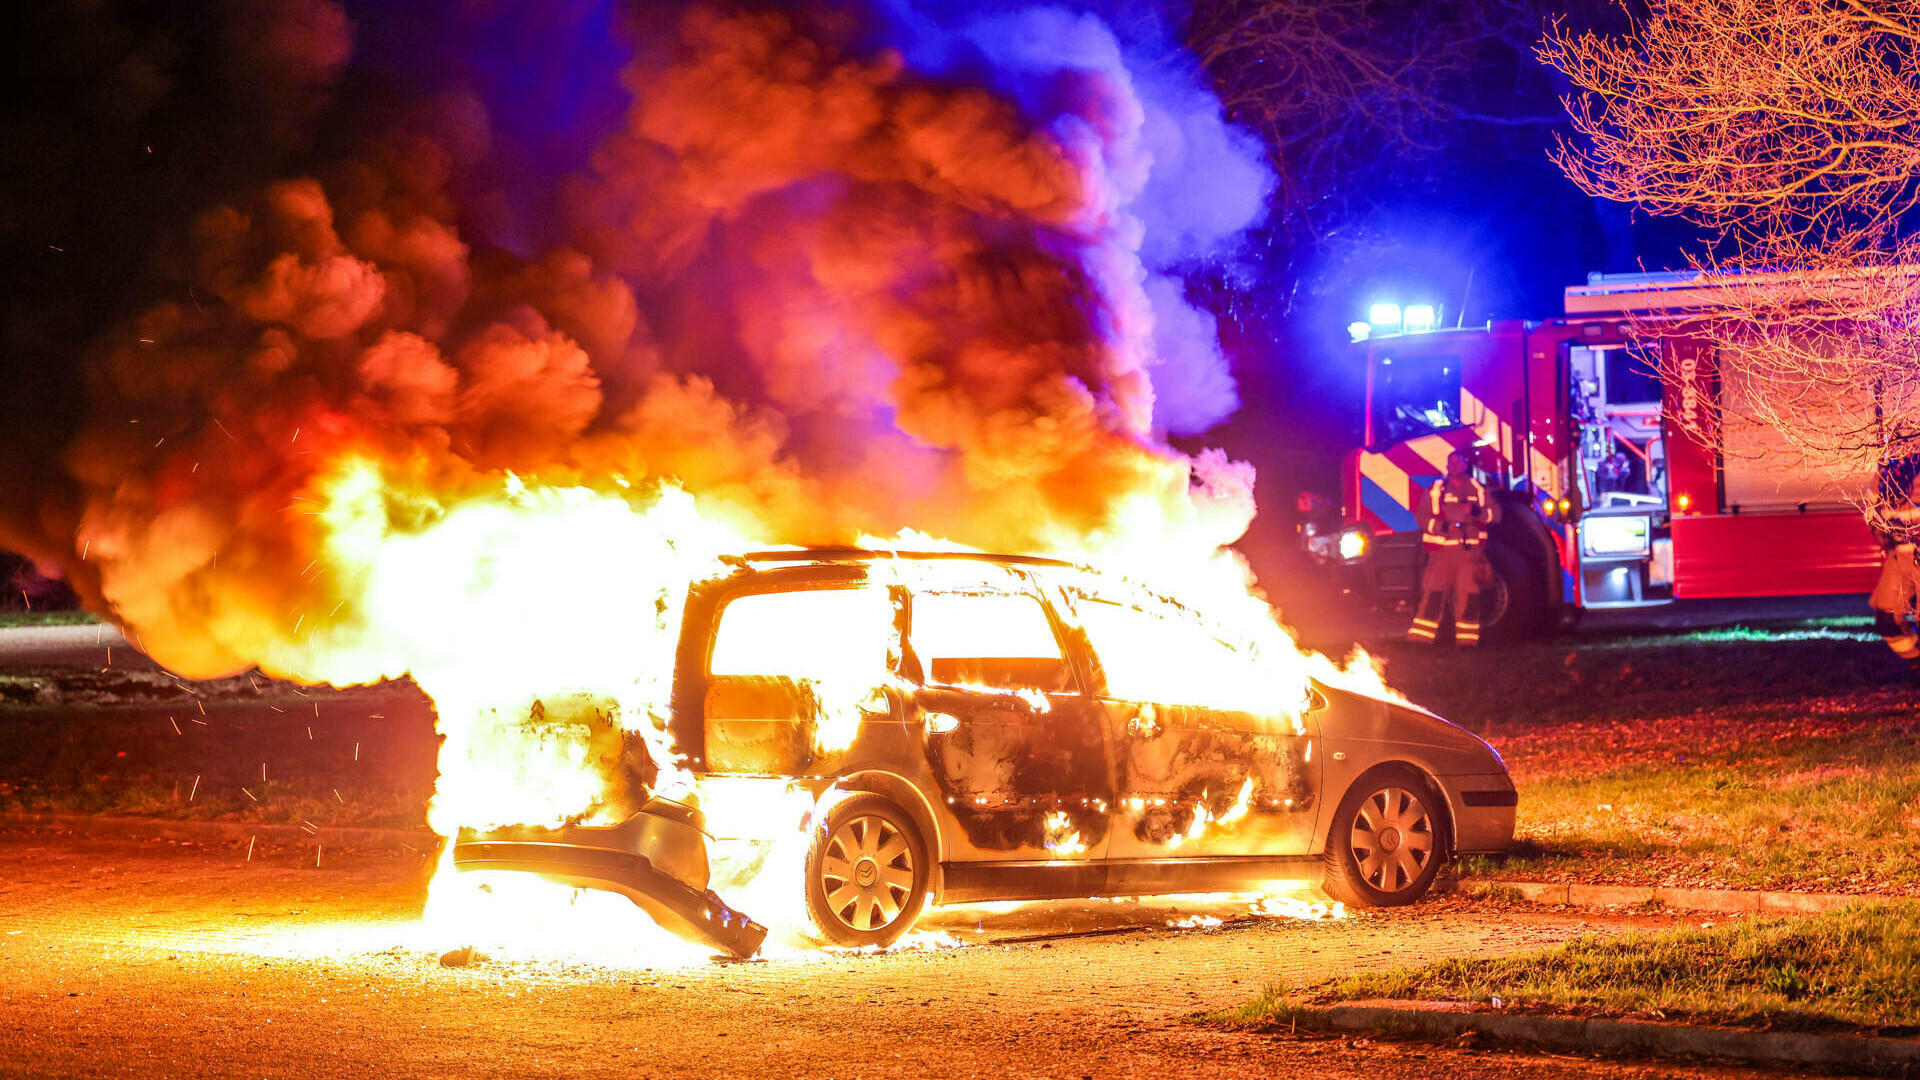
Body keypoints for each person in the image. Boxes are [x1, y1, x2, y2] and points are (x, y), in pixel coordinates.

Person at [1409, 451, 1500, 646]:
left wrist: (1475, 511)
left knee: (1469, 598)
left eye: (1459, 461)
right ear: (1447, 466)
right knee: (1433, 594)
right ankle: (1420, 642)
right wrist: (1442, 526)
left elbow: (1496, 515)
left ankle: (1467, 644)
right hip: (1441, 554)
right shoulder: (1435, 490)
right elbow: (1421, 518)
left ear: (1466, 464)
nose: (1454, 465)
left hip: (1471, 555)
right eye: (1451, 462)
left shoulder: (1479, 490)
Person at [1868, 465, 1920, 676]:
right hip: (1901, 555)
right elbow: (1873, 504)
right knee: (1887, 622)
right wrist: (1877, 529)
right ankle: (1915, 660)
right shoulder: (1890, 467)